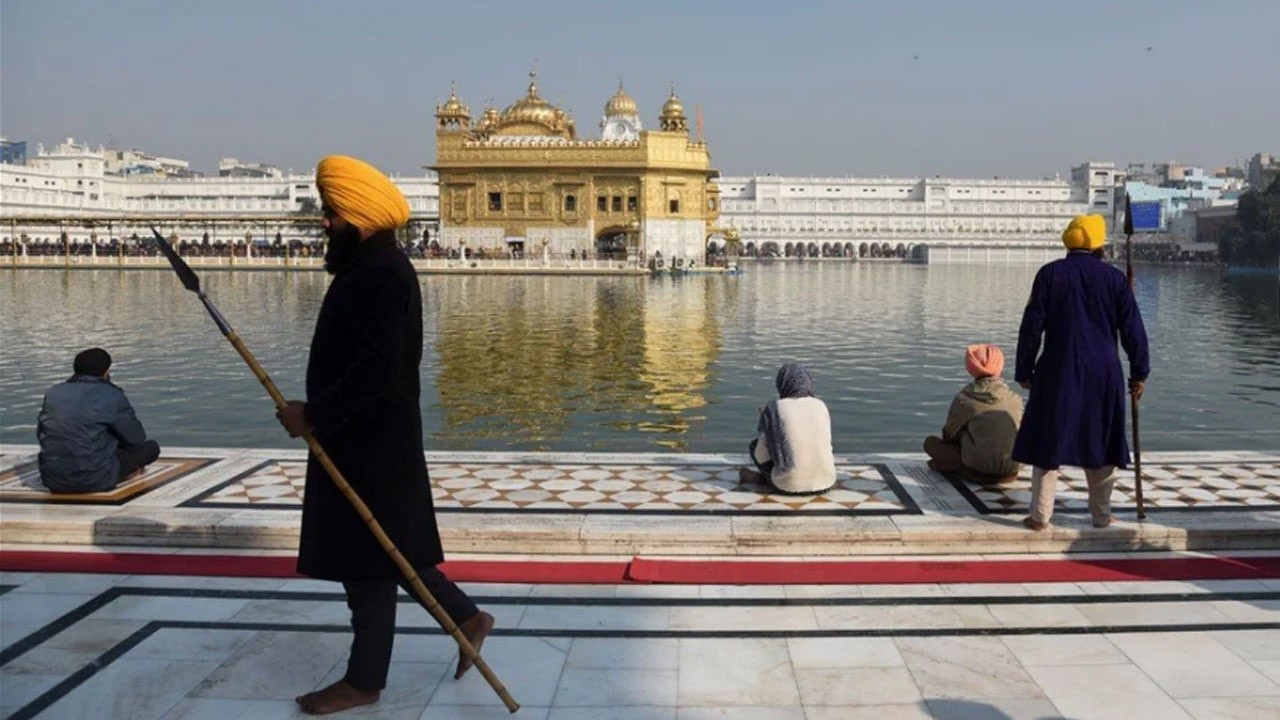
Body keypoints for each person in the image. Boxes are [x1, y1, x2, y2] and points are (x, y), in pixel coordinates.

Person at [276, 155, 493, 715]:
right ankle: (465, 617)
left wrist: (314, 414)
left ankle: (365, 680)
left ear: (360, 216)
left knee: (368, 561)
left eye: (332, 213)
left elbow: (375, 369)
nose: (325, 223)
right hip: (368, 437)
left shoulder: (379, 273)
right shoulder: (373, 267)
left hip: (368, 441)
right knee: (388, 550)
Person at [1012, 214, 1149, 531]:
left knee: (1049, 441)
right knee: (1101, 442)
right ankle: (1101, 515)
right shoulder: (1114, 280)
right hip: (1104, 373)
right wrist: (1139, 372)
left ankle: (1040, 516)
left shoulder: (1050, 275)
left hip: (1058, 370)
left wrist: (1025, 369)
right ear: (1099, 244)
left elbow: (1031, 327)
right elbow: (1133, 331)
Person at [36, 348, 160, 493]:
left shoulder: (53, 393)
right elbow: (136, 439)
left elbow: (44, 432)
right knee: (151, 448)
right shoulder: (111, 394)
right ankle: (127, 474)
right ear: (106, 371)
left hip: (53, 480)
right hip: (96, 478)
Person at [923, 344, 1023, 484]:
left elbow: (949, 437)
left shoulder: (966, 398)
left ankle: (954, 466)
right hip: (1011, 471)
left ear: (970, 368)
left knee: (930, 443)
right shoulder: (1015, 399)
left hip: (975, 471)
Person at [739, 363, 837, 494]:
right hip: (827, 482)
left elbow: (761, 456)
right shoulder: (820, 405)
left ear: (782, 383)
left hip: (789, 487)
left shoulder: (774, 409)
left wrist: (767, 424)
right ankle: (771, 478)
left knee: (754, 446)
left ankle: (767, 480)